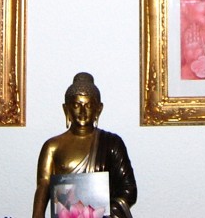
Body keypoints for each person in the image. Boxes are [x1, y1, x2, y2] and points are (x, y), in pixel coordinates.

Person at [33, 73, 136, 218]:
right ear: (66, 109)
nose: (82, 112)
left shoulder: (112, 143)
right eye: (76, 105)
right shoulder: (52, 146)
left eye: (89, 105)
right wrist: (37, 214)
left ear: (98, 109)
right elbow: (44, 184)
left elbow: (129, 190)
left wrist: (99, 212)